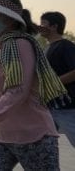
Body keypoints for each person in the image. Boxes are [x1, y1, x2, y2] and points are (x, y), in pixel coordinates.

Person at [0, 0, 68, 170]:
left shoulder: (19, 45)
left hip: (33, 136)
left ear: (9, 20)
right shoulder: (0, 49)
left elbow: (17, 92)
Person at [39, 11, 75, 147]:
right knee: (43, 143)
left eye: (43, 24)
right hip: (50, 106)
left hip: (67, 106)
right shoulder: (46, 48)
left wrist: (54, 83)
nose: (40, 27)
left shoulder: (66, 46)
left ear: (54, 27)